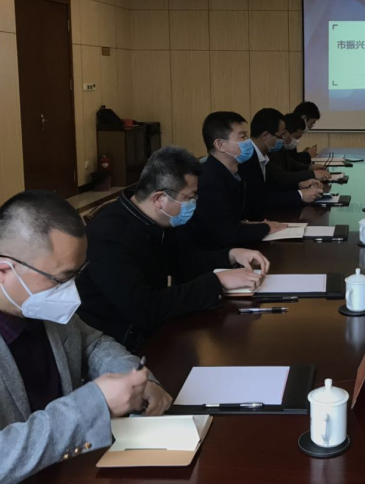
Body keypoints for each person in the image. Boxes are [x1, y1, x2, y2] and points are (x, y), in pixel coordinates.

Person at [0, 190, 172, 483]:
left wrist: (135, 379)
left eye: (76, 275)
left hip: (72, 468)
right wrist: (90, 407)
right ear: (2, 270)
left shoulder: (30, 298)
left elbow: (91, 343)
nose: (71, 292)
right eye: (61, 279)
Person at [78, 146, 269, 351]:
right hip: (118, 343)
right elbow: (146, 309)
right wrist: (217, 281)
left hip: (153, 329)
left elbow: (182, 263)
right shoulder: (109, 236)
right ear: (159, 199)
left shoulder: (156, 220)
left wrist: (231, 254)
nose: (194, 204)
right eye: (189, 197)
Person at [185, 111, 288, 248]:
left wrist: (254, 225)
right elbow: (227, 235)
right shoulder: (208, 181)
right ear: (220, 145)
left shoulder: (233, 173)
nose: (248, 141)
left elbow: (232, 221)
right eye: (242, 136)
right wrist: (266, 227)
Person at [239, 108, 323, 221]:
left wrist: (299, 185)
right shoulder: (246, 160)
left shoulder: (263, 156)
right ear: (265, 136)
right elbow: (259, 200)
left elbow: (272, 186)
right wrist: (300, 195)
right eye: (281, 136)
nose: (284, 140)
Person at [271, 113, 331, 182]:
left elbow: (292, 164)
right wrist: (312, 174)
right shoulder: (272, 151)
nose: (287, 137)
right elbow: (282, 177)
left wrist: (310, 167)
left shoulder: (280, 149)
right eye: (283, 134)